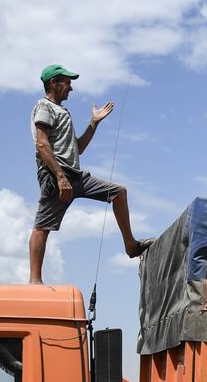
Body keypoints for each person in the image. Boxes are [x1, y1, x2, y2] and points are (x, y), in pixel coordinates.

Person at [29, 63, 150, 284]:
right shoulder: (44, 106)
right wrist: (60, 176)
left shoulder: (62, 112)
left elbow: (79, 148)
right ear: (53, 83)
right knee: (42, 226)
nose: (70, 88)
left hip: (75, 176)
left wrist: (93, 124)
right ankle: (34, 281)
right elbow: (42, 144)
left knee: (118, 193)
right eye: (66, 83)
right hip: (58, 176)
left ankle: (131, 246)